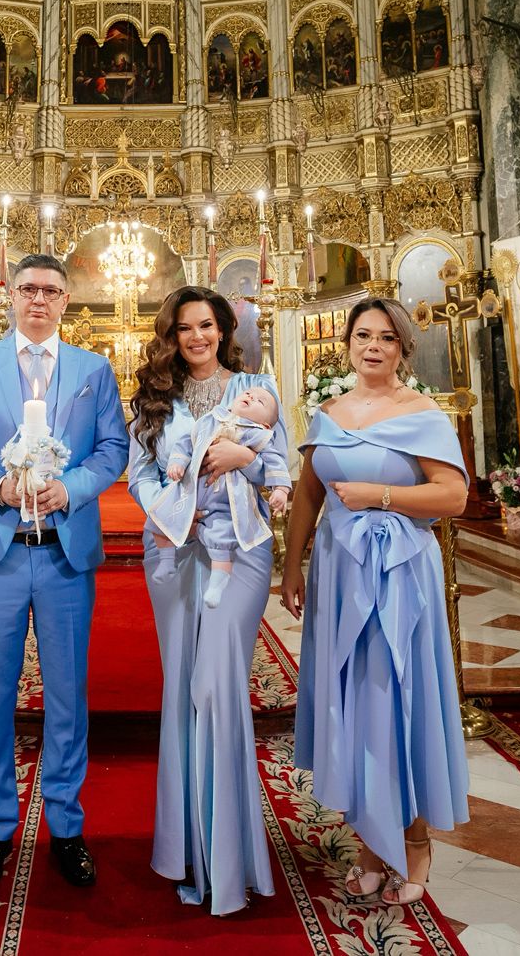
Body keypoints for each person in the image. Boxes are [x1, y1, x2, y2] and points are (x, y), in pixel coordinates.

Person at [0, 253, 128, 893]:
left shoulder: (93, 370)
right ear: (10, 295)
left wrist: (70, 490)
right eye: (27, 289)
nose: (38, 300)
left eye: (50, 290)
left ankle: (66, 826)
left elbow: (113, 449)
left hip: (63, 554)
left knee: (67, 692)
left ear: (66, 300)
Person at [281, 297, 471, 907]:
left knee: (399, 699)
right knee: (354, 702)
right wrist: (293, 565)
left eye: (387, 338)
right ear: (347, 344)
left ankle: (414, 842)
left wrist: (378, 495)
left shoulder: (423, 414)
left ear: (402, 348)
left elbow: (453, 497)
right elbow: (308, 496)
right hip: (340, 573)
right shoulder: (328, 414)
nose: (373, 346)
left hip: (400, 575)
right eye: (363, 335)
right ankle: (369, 844)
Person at [126, 288, 289, 915]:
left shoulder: (256, 387)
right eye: (184, 328)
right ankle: (187, 853)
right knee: (181, 688)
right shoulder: (154, 398)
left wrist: (244, 455)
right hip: (172, 550)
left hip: (240, 551)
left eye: (207, 325)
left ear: (223, 330)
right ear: (171, 336)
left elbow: (279, 466)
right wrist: (173, 513)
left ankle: (227, 862)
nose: (196, 337)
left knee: (216, 689)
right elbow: (140, 475)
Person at [150, 385, 288, 609]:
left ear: (265, 424)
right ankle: (166, 561)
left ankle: (218, 580)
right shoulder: (211, 419)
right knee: (160, 518)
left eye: (259, 401)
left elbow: (275, 462)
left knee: (221, 535)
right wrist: (177, 462)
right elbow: (186, 442)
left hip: (225, 499)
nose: (251, 397)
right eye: (248, 394)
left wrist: (280, 489)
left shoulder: (257, 433)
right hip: (189, 494)